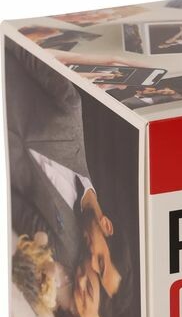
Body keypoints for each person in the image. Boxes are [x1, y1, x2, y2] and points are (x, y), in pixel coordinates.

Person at [5, 38, 121, 298]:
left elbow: (13, 208)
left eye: (96, 276)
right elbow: (22, 47)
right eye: (100, 262)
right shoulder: (70, 108)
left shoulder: (66, 245)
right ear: (107, 226)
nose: (90, 266)